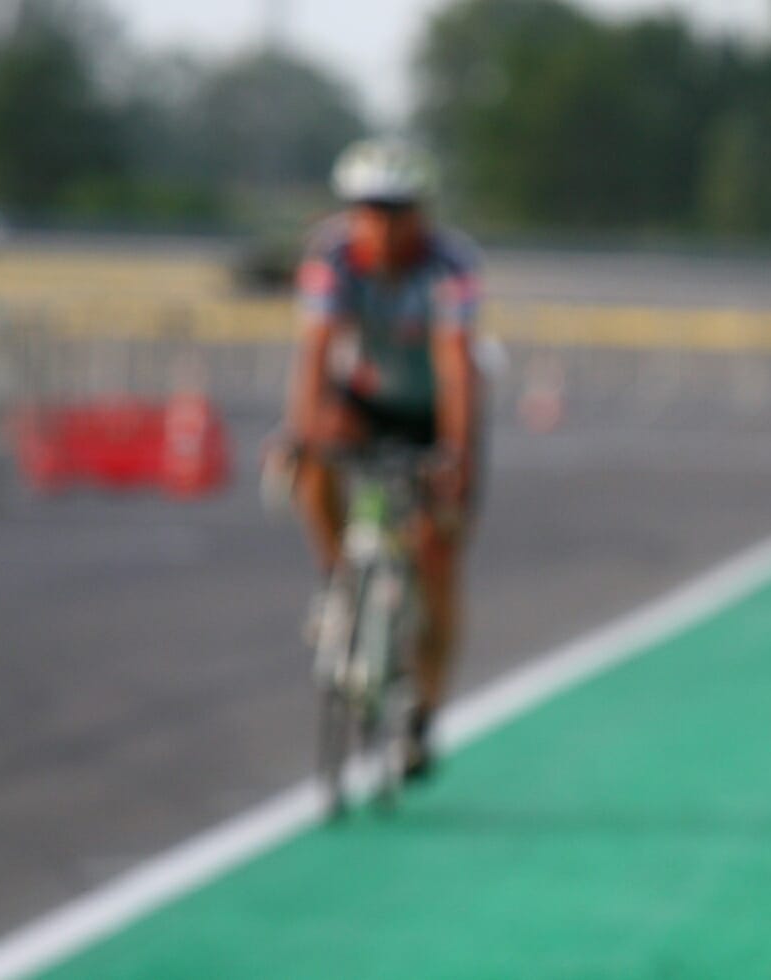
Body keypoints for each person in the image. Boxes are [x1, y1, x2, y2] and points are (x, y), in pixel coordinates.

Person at [279, 136, 483, 778]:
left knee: (438, 556)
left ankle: (422, 714)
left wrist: (456, 456)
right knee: (312, 460)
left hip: (432, 409)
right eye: (370, 208)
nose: (385, 223)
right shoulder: (333, 256)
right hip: (363, 398)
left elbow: (457, 370)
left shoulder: (449, 265)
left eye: (399, 209)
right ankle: (338, 577)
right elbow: (314, 353)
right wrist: (298, 431)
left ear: (422, 211)